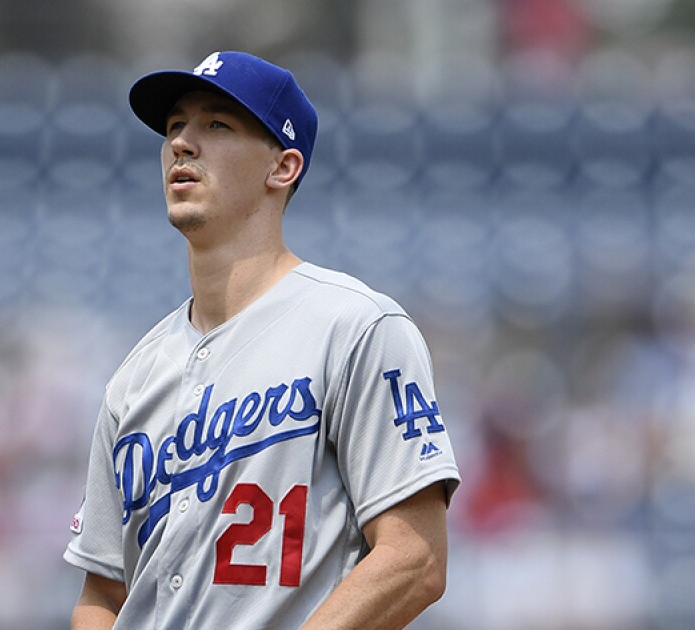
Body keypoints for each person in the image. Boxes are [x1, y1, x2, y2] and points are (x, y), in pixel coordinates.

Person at [64, 51, 460, 629]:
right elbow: (102, 592)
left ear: (283, 166)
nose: (182, 144)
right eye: (174, 126)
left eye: (216, 124)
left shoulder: (355, 328)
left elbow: (415, 558)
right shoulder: (134, 377)